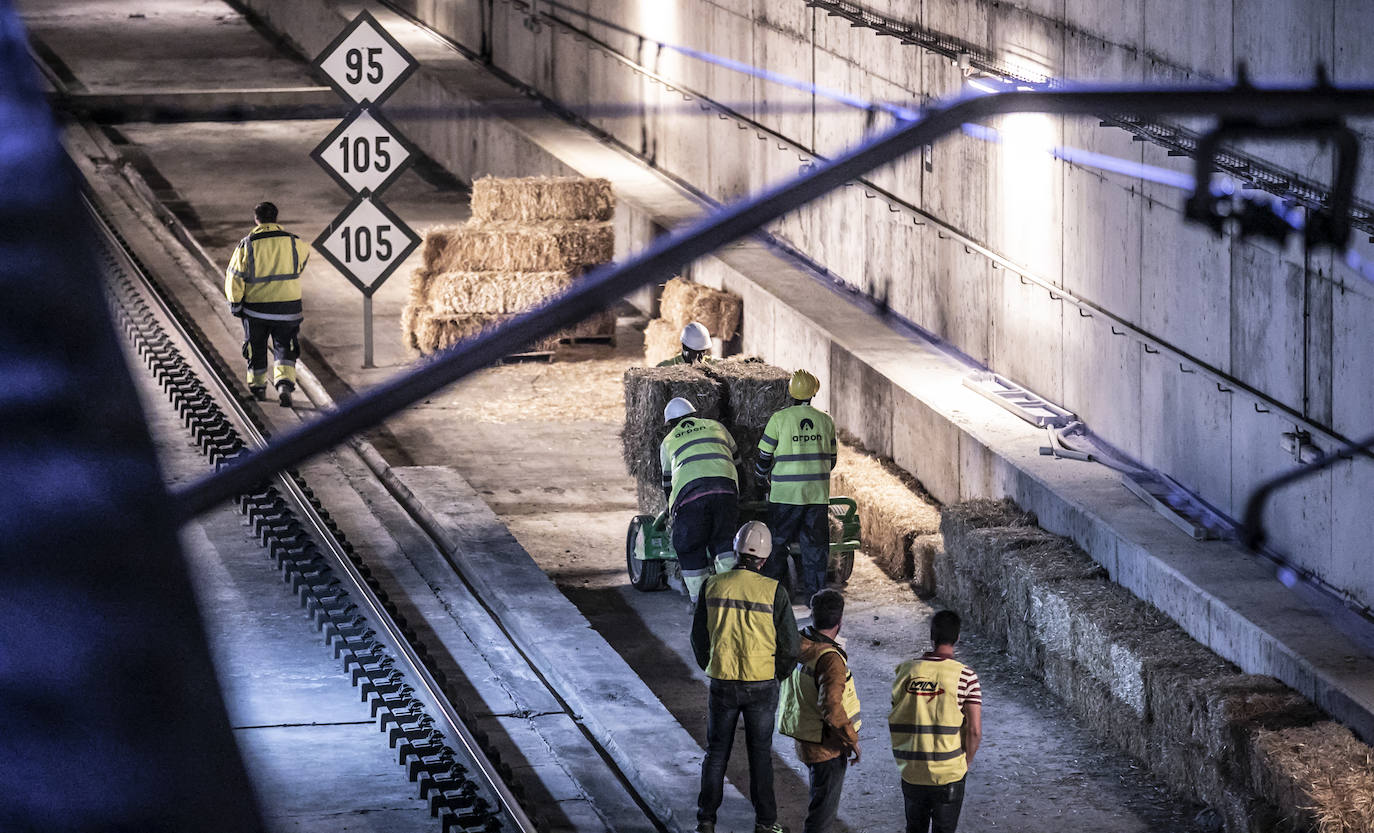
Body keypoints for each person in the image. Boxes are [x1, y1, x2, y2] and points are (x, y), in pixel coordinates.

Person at [691, 521, 800, 833]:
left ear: (736, 552)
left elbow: (698, 637)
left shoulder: (712, 585)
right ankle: (766, 823)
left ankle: (706, 821)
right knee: (761, 756)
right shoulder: (774, 591)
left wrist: (711, 664)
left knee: (716, 753)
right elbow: (791, 646)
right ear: (764, 560)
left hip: (722, 682)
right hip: (762, 684)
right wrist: (778, 674)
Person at [889, 610, 982, 833]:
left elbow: (898, 712)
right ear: (958, 638)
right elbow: (975, 731)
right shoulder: (965, 676)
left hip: (911, 771)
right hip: (949, 774)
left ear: (932, 637)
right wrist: (965, 763)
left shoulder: (905, 672)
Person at [777, 589, 861, 833]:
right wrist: (851, 740)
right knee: (822, 813)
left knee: (819, 798)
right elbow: (832, 707)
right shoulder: (830, 659)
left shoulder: (799, 642)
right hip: (827, 744)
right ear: (840, 621)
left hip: (806, 733)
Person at [755, 369, 837, 603]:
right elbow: (831, 460)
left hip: (785, 497)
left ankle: (773, 596)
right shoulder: (826, 420)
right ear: (813, 393)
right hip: (816, 496)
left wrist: (760, 478)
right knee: (815, 549)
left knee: (777, 546)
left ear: (790, 392)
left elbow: (764, 456)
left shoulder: (778, 420)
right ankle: (816, 598)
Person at [225, 201, 309, 407]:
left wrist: (235, 304)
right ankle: (284, 384)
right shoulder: (294, 242)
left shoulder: (247, 245)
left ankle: (259, 388)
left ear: (256, 220)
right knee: (285, 347)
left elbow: (234, 277)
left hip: (256, 310)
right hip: (288, 308)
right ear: (276, 218)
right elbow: (301, 263)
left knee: (256, 348)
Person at [659, 397, 743, 604]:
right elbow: (738, 463)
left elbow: (668, 485)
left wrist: (672, 511)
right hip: (725, 492)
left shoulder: (668, 441)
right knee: (725, 544)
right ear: (694, 413)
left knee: (689, 547)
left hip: (691, 499)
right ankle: (731, 597)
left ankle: (701, 604)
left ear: (670, 422)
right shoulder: (717, 426)